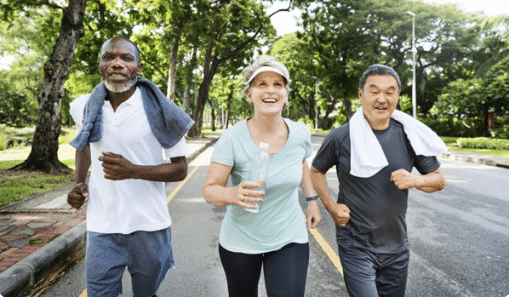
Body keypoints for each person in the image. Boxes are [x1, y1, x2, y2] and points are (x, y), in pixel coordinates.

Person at [66, 36, 194, 297]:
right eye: (109, 57)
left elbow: (181, 169)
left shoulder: (161, 110)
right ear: (100, 64)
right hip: (102, 226)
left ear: (139, 68)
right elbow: (84, 145)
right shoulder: (82, 106)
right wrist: (80, 182)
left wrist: (133, 170)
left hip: (149, 227)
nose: (117, 63)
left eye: (126, 58)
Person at [310, 64, 447, 297]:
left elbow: (439, 180)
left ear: (398, 96)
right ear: (361, 94)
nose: (382, 99)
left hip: (397, 247)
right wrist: (331, 207)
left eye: (390, 91)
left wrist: (414, 180)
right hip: (356, 244)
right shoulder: (341, 136)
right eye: (374, 91)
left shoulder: (409, 135)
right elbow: (316, 171)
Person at [203, 56, 322, 297]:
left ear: (286, 94)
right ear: (250, 94)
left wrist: (312, 201)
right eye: (262, 84)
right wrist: (232, 193)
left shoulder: (299, 133)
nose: (271, 90)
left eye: (278, 84)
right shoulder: (232, 138)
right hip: (241, 241)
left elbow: (300, 163)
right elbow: (210, 189)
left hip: (289, 236)